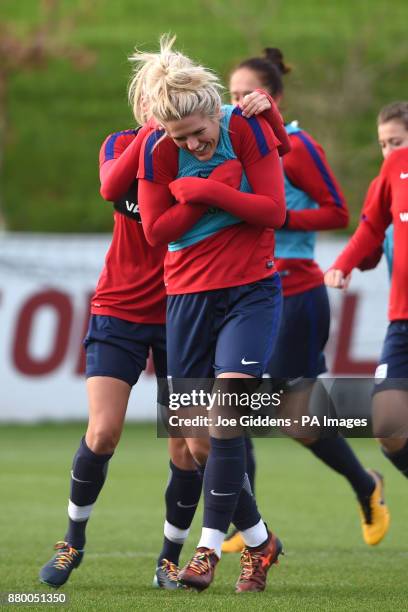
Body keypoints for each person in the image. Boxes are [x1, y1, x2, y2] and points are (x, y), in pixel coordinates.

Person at [130, 34, 287, 593]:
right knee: (197, 442)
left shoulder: (241, 127)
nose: (194, 144)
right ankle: (263, 541)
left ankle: (208, 549)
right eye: (181, 139)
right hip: (187, 298)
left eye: (200, 133)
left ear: (211, 110)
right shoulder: (155, 149)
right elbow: (155, 231)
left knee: (224, 420)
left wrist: (202, 192)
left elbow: (274, 211)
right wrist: (207, 189)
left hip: (251, 291)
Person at [222, 48, 390, 553]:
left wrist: (275, 215)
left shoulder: (294, 145)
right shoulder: (231, 146)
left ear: (271, 98)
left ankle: (367, 486)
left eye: (245, 95)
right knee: (229, 404)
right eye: (229, 96)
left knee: (295, 420)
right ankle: (244, 524)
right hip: (245, 292)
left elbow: (337, 211)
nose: (235, 104)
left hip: (295, 292)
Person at [38, 115, 207, 590]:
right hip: (119, 310)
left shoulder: (201, 154)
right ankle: (72, 542)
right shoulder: (119, 144)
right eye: (156, 102)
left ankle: (169, 559)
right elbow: (111, 185)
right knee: (103, 431)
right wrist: (148, 135)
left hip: (182, 312)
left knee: (186, 447)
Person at [325, 101, 408, 483]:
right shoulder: (392, 172)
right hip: (402, 321)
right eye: (384, 143)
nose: (390, 152)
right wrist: (343, 263)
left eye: (398, 142)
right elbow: (372, 228)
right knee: (388, 425)